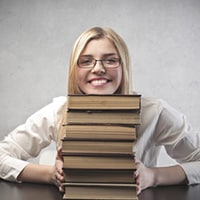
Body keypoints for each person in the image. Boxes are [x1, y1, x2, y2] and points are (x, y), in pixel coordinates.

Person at [0, 26, 200, 195]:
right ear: (74, 70)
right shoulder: (59, 111)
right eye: (86, 61)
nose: (98, 69)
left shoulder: (153, 112)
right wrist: (50, 174)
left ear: (124, 66)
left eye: (110, 60)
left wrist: (153, 176)